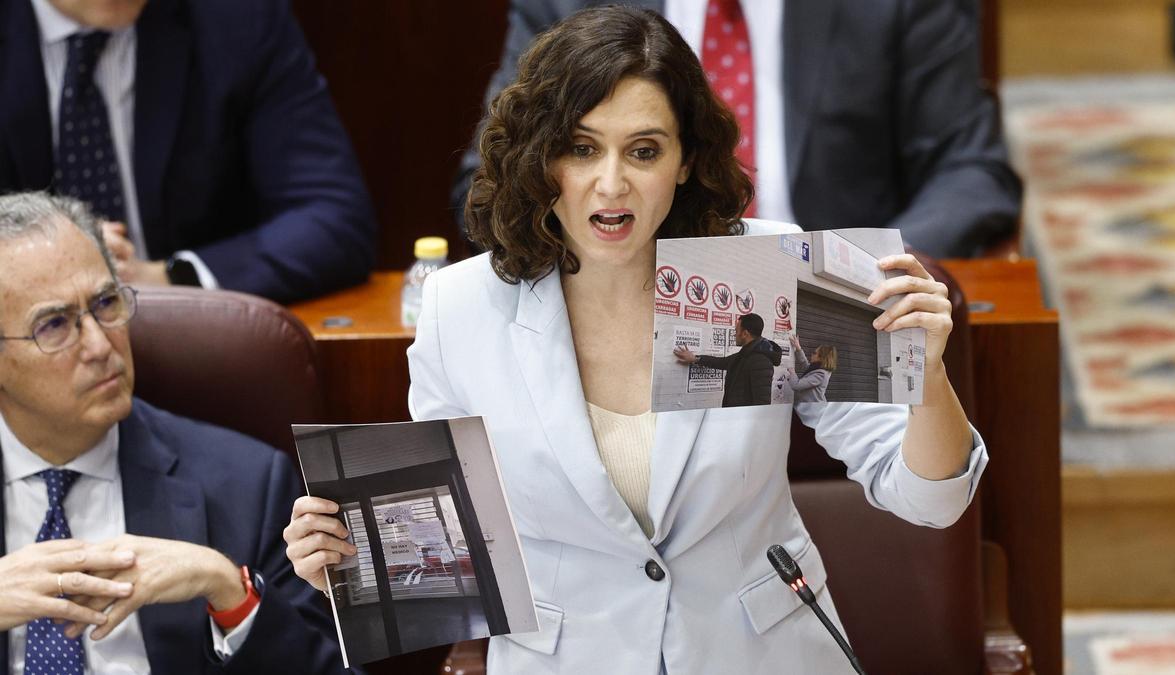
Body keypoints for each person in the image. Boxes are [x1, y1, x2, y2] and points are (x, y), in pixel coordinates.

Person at [287, 7, 986, 673]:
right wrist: (343, 561)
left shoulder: (769, 274)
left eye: (644, 150)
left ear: (685, 160)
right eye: (580, 148)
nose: (610, 184)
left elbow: (931, 500)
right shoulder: (460, 307)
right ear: (539, 155)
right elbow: (446, 554)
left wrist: (926, 378)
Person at [0, 192, 353, 674]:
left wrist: (228, 589)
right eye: (55, 325)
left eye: (107, 303)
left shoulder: (247, 485)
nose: (101, 345)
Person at [452, 0, 1021, 259]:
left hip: (832, 305)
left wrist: (871, 270)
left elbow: (969, 170)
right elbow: (496, 172)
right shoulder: (570, 4)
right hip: (613, 301)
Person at [0, 0, 377, 304]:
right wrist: (47, 257)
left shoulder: (236, 16)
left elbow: (334, 218)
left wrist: (169, 278)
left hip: (193, 350)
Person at [673, 312, 782, 407]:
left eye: (736, 331)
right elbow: (722, 362)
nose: (735, 334)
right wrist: (695, 358)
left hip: (743, 423)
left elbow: (762, 404)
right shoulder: (747, 353)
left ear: (745, 334)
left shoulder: (761, 361)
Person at [786, 334, 836, 403]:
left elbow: (796, 385)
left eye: (814, 353)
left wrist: (792, 373)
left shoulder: (821, 375)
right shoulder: (817, 368)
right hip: (809, 408)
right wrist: (798, 348)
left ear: (821, 357)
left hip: (813, 410)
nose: (811, 354)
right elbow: (805, 365)